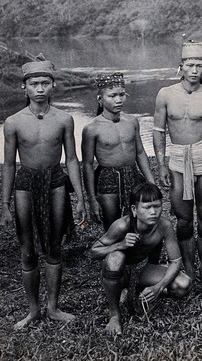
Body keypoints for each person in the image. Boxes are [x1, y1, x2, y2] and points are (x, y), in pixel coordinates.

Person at [1, 59, 86, 330]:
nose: (40, 89)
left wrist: (81, 196)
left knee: (54, 245)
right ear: (24, 87)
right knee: (27, 250)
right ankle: (33, 310)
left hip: (55, 181)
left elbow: (72, 159)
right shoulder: (13, 122)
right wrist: (5, 203)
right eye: (34, 84)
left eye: (45, 83)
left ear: (53, 86)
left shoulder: (64, 119)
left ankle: (53, 307)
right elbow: (9, 164)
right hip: (25, 183)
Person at [153, 41, 202, 285]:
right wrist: (162, 164)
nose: (194, 70)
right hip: (177, 158)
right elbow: (158, 131)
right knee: (183, 218)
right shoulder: (166, 94)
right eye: (189, 65)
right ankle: (188, 268)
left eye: (199, 65)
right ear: (180, 67)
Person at [90, 183, 191, 335]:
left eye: (157, 206)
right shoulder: (122, 225)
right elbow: (93, 252)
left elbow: (176, 261)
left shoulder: (164, 225)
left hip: (142, 269)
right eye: (147, 207)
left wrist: (158, 287)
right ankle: (114, 315)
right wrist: (120, 245)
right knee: (115, 258)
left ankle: (137, 292)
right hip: (120, 272)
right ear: (134, 210)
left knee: (183, 284)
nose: (153, 212)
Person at [82, 73, 155, 231]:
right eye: (112, 95)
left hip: (133, 175)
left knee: (139, 221)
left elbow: (140, 152)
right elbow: (87, 164)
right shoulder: (92, 128)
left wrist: (151, 182)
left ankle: (135, 253)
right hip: (107, 178)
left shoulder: (132, 121)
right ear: (100, 99)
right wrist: (91, 198)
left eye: (122, 95)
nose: (118, 100)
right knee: (113, 224)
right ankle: (114, 253)